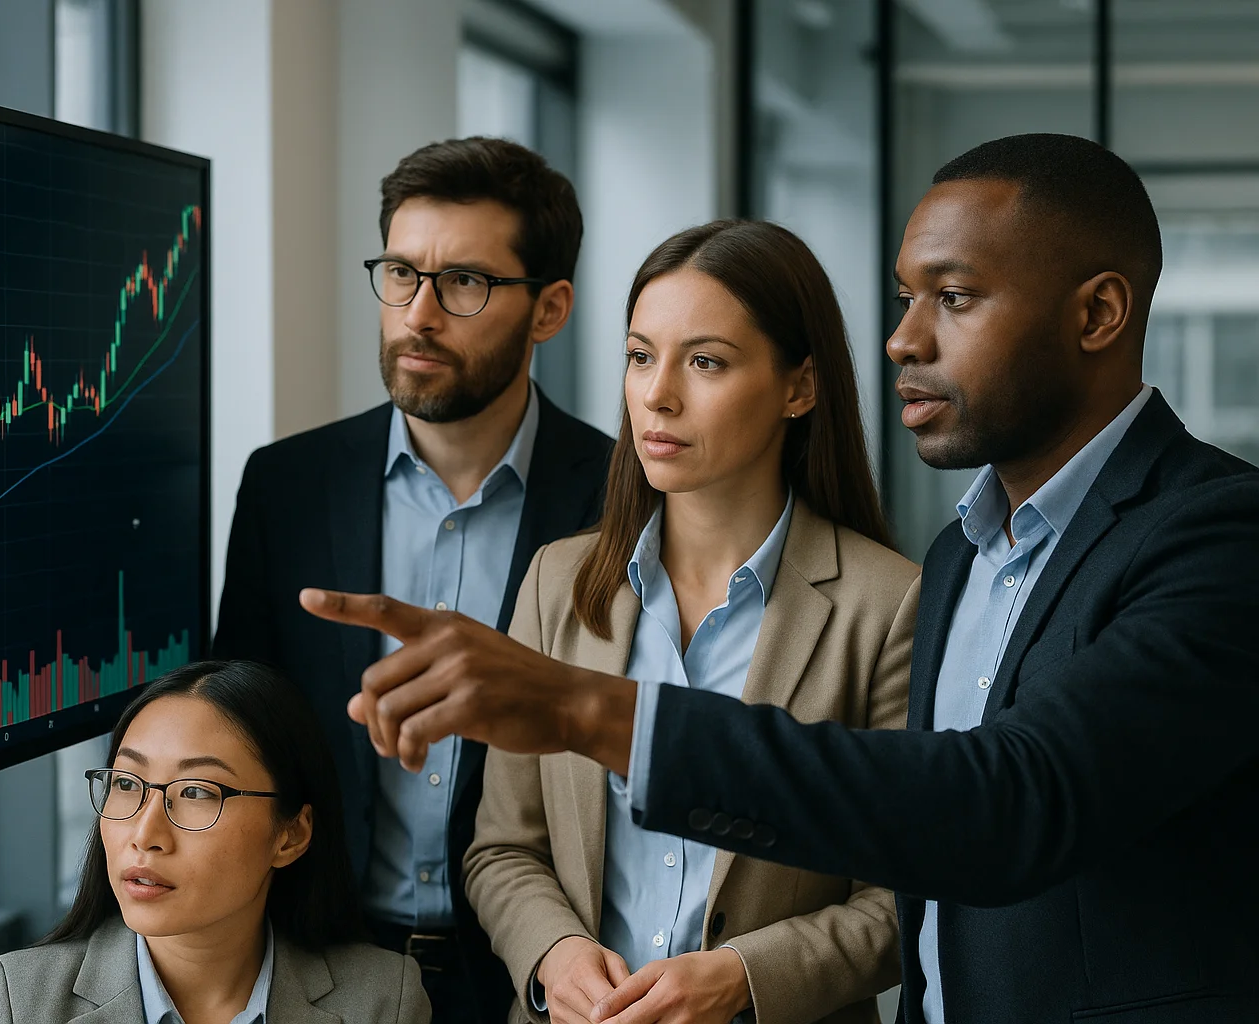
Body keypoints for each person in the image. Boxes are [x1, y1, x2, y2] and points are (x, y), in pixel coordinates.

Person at [300, 132, 1259, 1023]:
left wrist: (590, 715)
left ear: (1097, 312)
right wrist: (558, 958)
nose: (905, 341)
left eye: (954, 300)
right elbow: (923, 864)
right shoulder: (968, 552)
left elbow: (1003, 805)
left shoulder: (1215, 532)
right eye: (904, 301)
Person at [463, 220, 915, 1024]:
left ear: (799, 387)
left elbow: (904, 895)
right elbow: (503, 848)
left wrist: (744, 976)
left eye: (705, 361)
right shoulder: (556, 582)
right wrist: (554, 956)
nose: (657, 393)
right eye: (641, 356)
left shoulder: (885, 605)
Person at [211, 137, 612, 1023]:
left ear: (549, 309)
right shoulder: (288, 484)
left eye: (464, 282)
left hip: (542, 975)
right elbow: (237, 725)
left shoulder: (625, 502)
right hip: (322, 965)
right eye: (400, 273)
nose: (418, 314)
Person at [0, 661, 430, 1024]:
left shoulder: (383, 1000)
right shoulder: (19, 1003)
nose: (145, 835)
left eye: (195, 793)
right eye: (127, 783)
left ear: (291, 835)